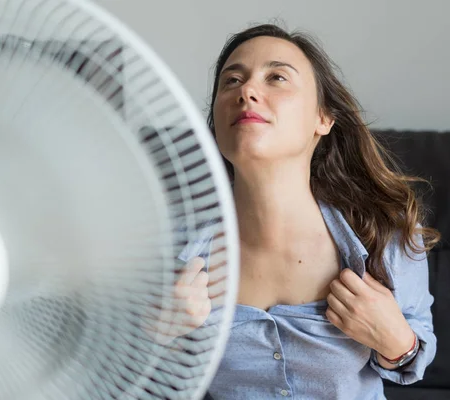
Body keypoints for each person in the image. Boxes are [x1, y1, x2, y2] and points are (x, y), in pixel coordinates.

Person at [173, 23, 441, 399]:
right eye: (231, 81)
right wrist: (155, 337)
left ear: (323, 118)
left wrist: (398, 341)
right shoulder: (174, 252)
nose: (247, 91)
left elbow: (415, 357)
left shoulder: (383, 231)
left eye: (277, 77)